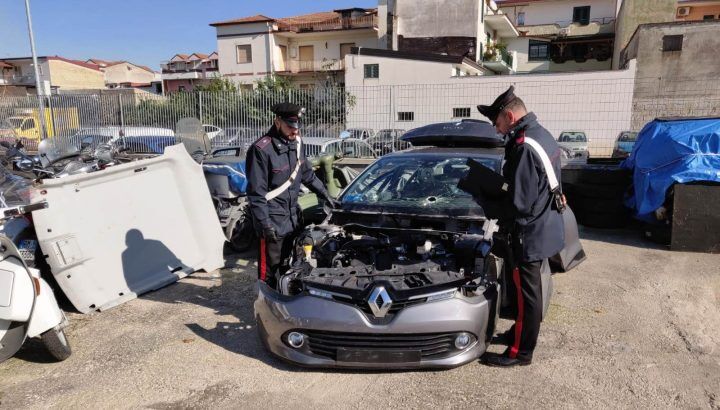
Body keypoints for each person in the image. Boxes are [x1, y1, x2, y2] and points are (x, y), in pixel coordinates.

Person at [477, 86, 565, 367]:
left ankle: (520, 352)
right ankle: (519, 334)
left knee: (527, 296)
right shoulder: (541, 135)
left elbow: (520, 204)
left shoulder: (524, 147)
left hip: (528, 232)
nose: (496, 128)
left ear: (510, 116)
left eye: (497, 121)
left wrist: (487, 201)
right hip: (542, 225)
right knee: (528, 291)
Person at [245, 102, 337, 288]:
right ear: (277, 122)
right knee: (269, 272)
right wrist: (265, 224)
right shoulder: (261, 150)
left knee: (290, 265)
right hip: (272, 222)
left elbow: (307, 175)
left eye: (297, 127)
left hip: (293, 219)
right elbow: (256, 194)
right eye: (290, 126)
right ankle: (266, 306)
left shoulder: (297, 144)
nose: (295, 131)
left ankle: (284, 303)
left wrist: (326, 195)